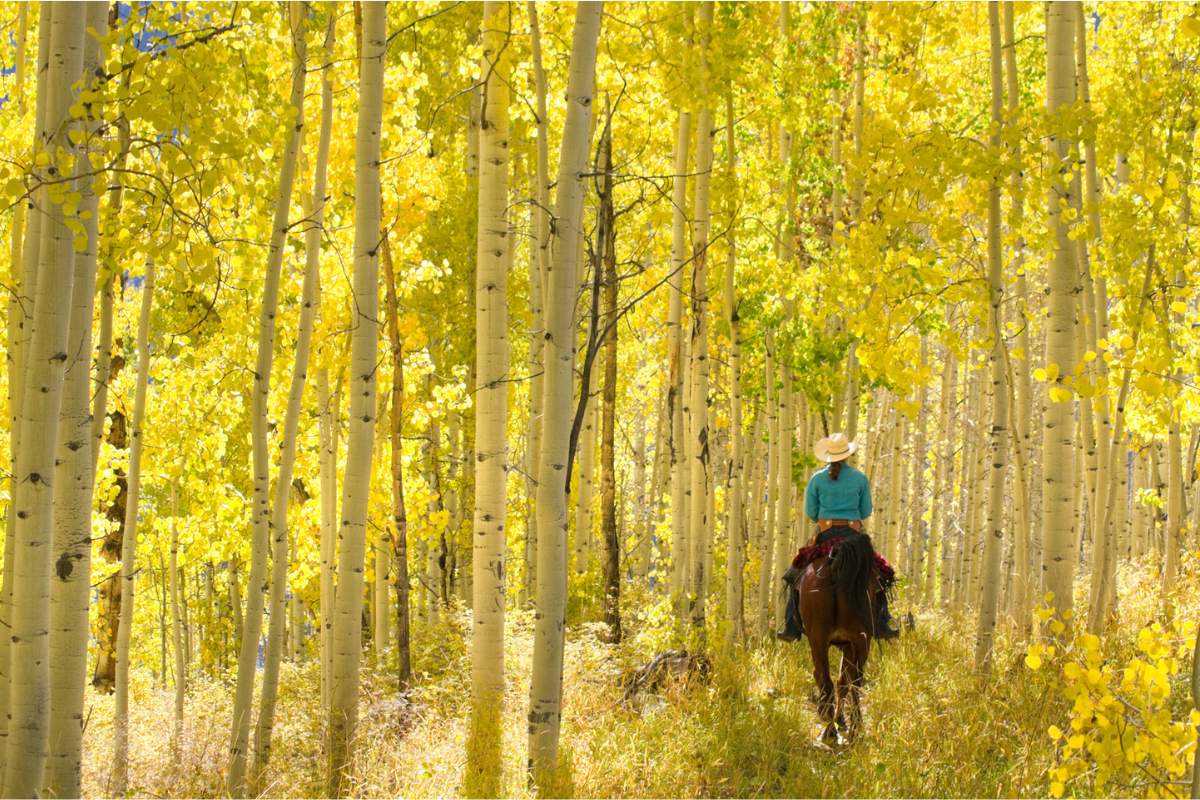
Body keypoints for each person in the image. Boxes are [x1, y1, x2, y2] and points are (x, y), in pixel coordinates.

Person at [776, 432, 899, 642]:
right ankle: (882, 622)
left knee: (795, 576)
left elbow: (811, 512)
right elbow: (866, 511)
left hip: (825, 535)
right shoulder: (860, 478)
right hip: (853, 536)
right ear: (848, 455)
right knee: (878, 574)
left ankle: (791, 626)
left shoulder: (816, 479)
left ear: (827, 455)